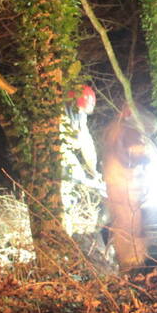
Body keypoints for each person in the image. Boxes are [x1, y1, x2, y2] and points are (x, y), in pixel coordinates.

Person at [101, 104, 157, 271]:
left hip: (116, 186)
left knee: (123, 226)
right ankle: (133, 266)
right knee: (130, 226)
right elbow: (138, 153)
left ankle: (128, 265)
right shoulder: (128, 131)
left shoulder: (113, 130)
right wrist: (148, 156)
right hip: (126, 186)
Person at [61, 85, 102, 234]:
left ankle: (66, 228)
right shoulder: (60, 113)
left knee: (75, 179)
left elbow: (86, 141)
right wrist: (82, 176)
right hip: (57, 154)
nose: (82, 113)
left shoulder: (79, 114)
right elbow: (66, 142)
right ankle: (63, 230)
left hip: (65, 153)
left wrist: (94, 170)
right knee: (67, 184)